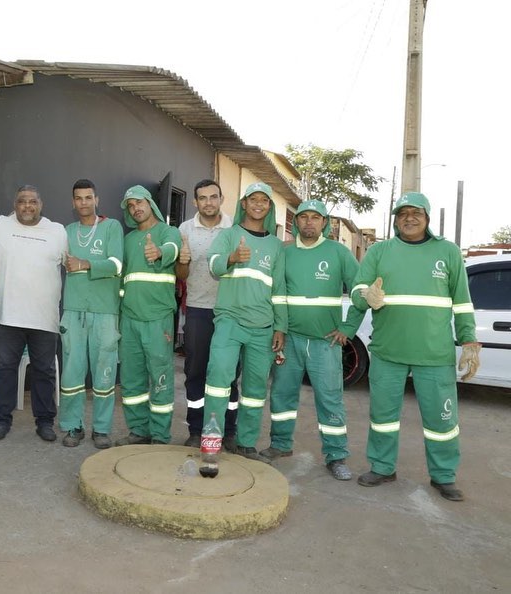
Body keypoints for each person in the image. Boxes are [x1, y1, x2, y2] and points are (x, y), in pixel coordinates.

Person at [351, 192, 479, 501]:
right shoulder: (379, 252)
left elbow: (462, 303)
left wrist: (470, 340)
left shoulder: (447, 252)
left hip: (434, 355)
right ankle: (382, 467)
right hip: (387, 352)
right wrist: (366, 296)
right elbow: (357, 289)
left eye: (416, 212)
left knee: (442, 422)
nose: (409, 217)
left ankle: (443, 475)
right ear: (395, 219)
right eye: (403, 212)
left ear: (427, 218)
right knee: (382, 417)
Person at [259, 199, 363, 480]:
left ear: (324, 223)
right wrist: (278, 328)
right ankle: (280, 445)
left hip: (325, 342)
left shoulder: (338, 253)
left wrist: (348, 328)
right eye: (303, 217)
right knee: (281, 394)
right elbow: (275, 293)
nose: (308, 222)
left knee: (330, 399)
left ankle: (336, 456)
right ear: (296, 222)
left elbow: (361, 291)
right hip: (289, 339)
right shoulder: (285, 252)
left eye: (314, 217)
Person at [203, 182, 287, 462]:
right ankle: (211, 442)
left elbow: (279, 290)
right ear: (244, 204)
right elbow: (213, 264)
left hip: (262, 328)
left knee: (254, 390)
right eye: (253, 199)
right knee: (218, 381)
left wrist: (280, 327)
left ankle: (246, 443)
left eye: (264, 200)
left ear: (269, 206)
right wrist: (232, 257)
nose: (259, 204)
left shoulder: (276, 245)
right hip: (229, 321)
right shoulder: (229, 235)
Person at [0, 185, 67, 442]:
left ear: (41, 204)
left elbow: (75, 263)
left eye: (32, 201)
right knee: (3, 371)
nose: (27, 206)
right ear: (13, 205)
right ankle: (2, 420)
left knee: (44, 372)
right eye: (21, 201)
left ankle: (45, 421)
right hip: (7, 316)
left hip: (45, 318)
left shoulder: (57, 231)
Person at [59, 179, 124, 449]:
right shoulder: (66, 231)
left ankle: (101, 428)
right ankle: (73, 427)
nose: (84, 202)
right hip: (73, 310)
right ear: (73, 202)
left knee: (104, 373)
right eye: (78, 198)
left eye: (88, 197)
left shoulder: (111, 227)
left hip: (105, 312)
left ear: (96, 200)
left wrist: (84, 263)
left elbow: (117, 264)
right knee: (72, 374)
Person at [115, 185, 182, 445]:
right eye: (130, 206)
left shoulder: (168, 232)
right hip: (130, 319)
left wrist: (160, 252)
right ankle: (138, 430)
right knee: (132, 381)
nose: (135, 209)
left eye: (139, 202)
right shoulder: (128, 240)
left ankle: (161, 436)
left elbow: (173, 248)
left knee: (161, 379)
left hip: (158, 319)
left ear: (150, 203)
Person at [175, 179, 239, 448]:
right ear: (195, 202)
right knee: (196, 372)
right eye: (203, 198)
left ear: (221, 199)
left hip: (230, 311)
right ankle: (196, 428)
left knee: (229, 374)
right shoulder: (185, 229)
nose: (209, 202)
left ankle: (229, 430)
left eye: (214, 197)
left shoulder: (234, 228)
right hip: (199, 310)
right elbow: (180, 276)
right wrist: (182, 260)